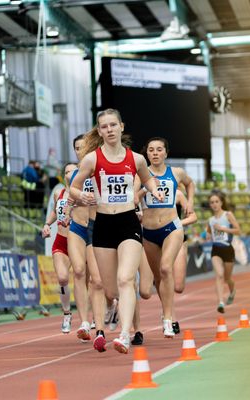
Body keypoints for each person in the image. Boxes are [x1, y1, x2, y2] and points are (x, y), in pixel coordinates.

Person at [69, 108, 164, 354]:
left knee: (126, 279)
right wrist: (82, 195)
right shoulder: (91, 159)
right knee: (110, 290)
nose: (109, 130)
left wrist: (155, 190)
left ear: (121, 127)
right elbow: (74, 188)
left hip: (127, 223)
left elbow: (147, 178)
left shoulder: (136, 159)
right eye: (104, 126)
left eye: (113, 125)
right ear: (99, 131)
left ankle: (124, 335)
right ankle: (115, 309)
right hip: (103, 226)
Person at [139, 137, 195, 337]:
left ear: (165, 153)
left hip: (172, 227)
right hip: (149, 231)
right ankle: (168, 312)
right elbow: (132, 197)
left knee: (165, 268)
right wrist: (147, 188)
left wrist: (190, 204)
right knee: (157, 278)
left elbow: (190, 184)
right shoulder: (140, 174)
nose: (155, 153)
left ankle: (168, 319)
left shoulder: (176, 173)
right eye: (151, 150)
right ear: (147, 154)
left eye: (159, 149)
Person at [66, 134, 109, 352]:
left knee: (98, 280)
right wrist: (64, 214)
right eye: (76, 148)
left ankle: (101, 321)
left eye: (83, 147)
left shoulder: (100, 169)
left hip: (95, 226)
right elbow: (68, 199)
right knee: (79, 272)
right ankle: (84, 322)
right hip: (76, 227)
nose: (79, 151)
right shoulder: (73, 174)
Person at [41, 163, 77, 335]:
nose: (70, 174)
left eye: (73, 171)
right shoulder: (59, 193)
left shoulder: (85, 194)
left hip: (79, 242)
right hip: (61, 241)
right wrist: (47, 224)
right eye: (67, 171)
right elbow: (56, 212)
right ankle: (67, 313)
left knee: (90, 282)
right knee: (62, 278)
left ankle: (93, 318)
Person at [206, 191, 241, 313]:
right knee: (219, 275)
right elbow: (208, 232)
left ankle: (232, 290)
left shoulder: (227, 215)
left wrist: (223, 229)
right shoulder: (210, 220)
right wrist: (207, 236)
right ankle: (221, 302)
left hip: (227, 249)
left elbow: (238, 230)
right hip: (216, 249)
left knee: (227, 278)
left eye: (216, 201)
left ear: (221, 202)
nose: (214, 204)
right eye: (212, 202)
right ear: (210, 205)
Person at [173, 188, 198, 295]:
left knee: (179, 287)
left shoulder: (177, 194)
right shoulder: (146, 191)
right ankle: (167, 311)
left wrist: (177, 223)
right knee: (147, 289)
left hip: (176, 237)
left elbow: (193, 217)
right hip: (154, 239)